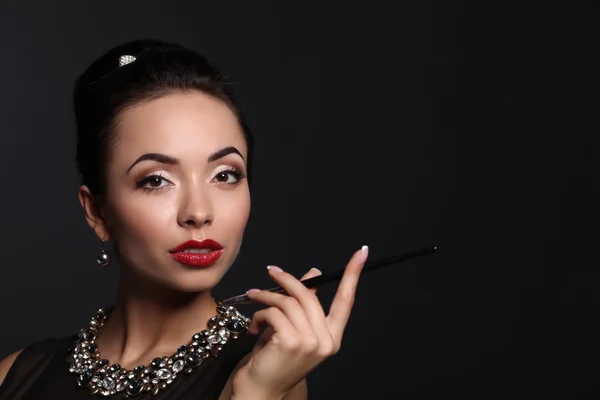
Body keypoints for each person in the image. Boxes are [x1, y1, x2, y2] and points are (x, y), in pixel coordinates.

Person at [0, 39, 368, 399]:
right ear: (97, 211)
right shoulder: (16, 376)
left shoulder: (270, 375)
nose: (199, 212)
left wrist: (254, 392)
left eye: (225, 175)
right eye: (156, 180)